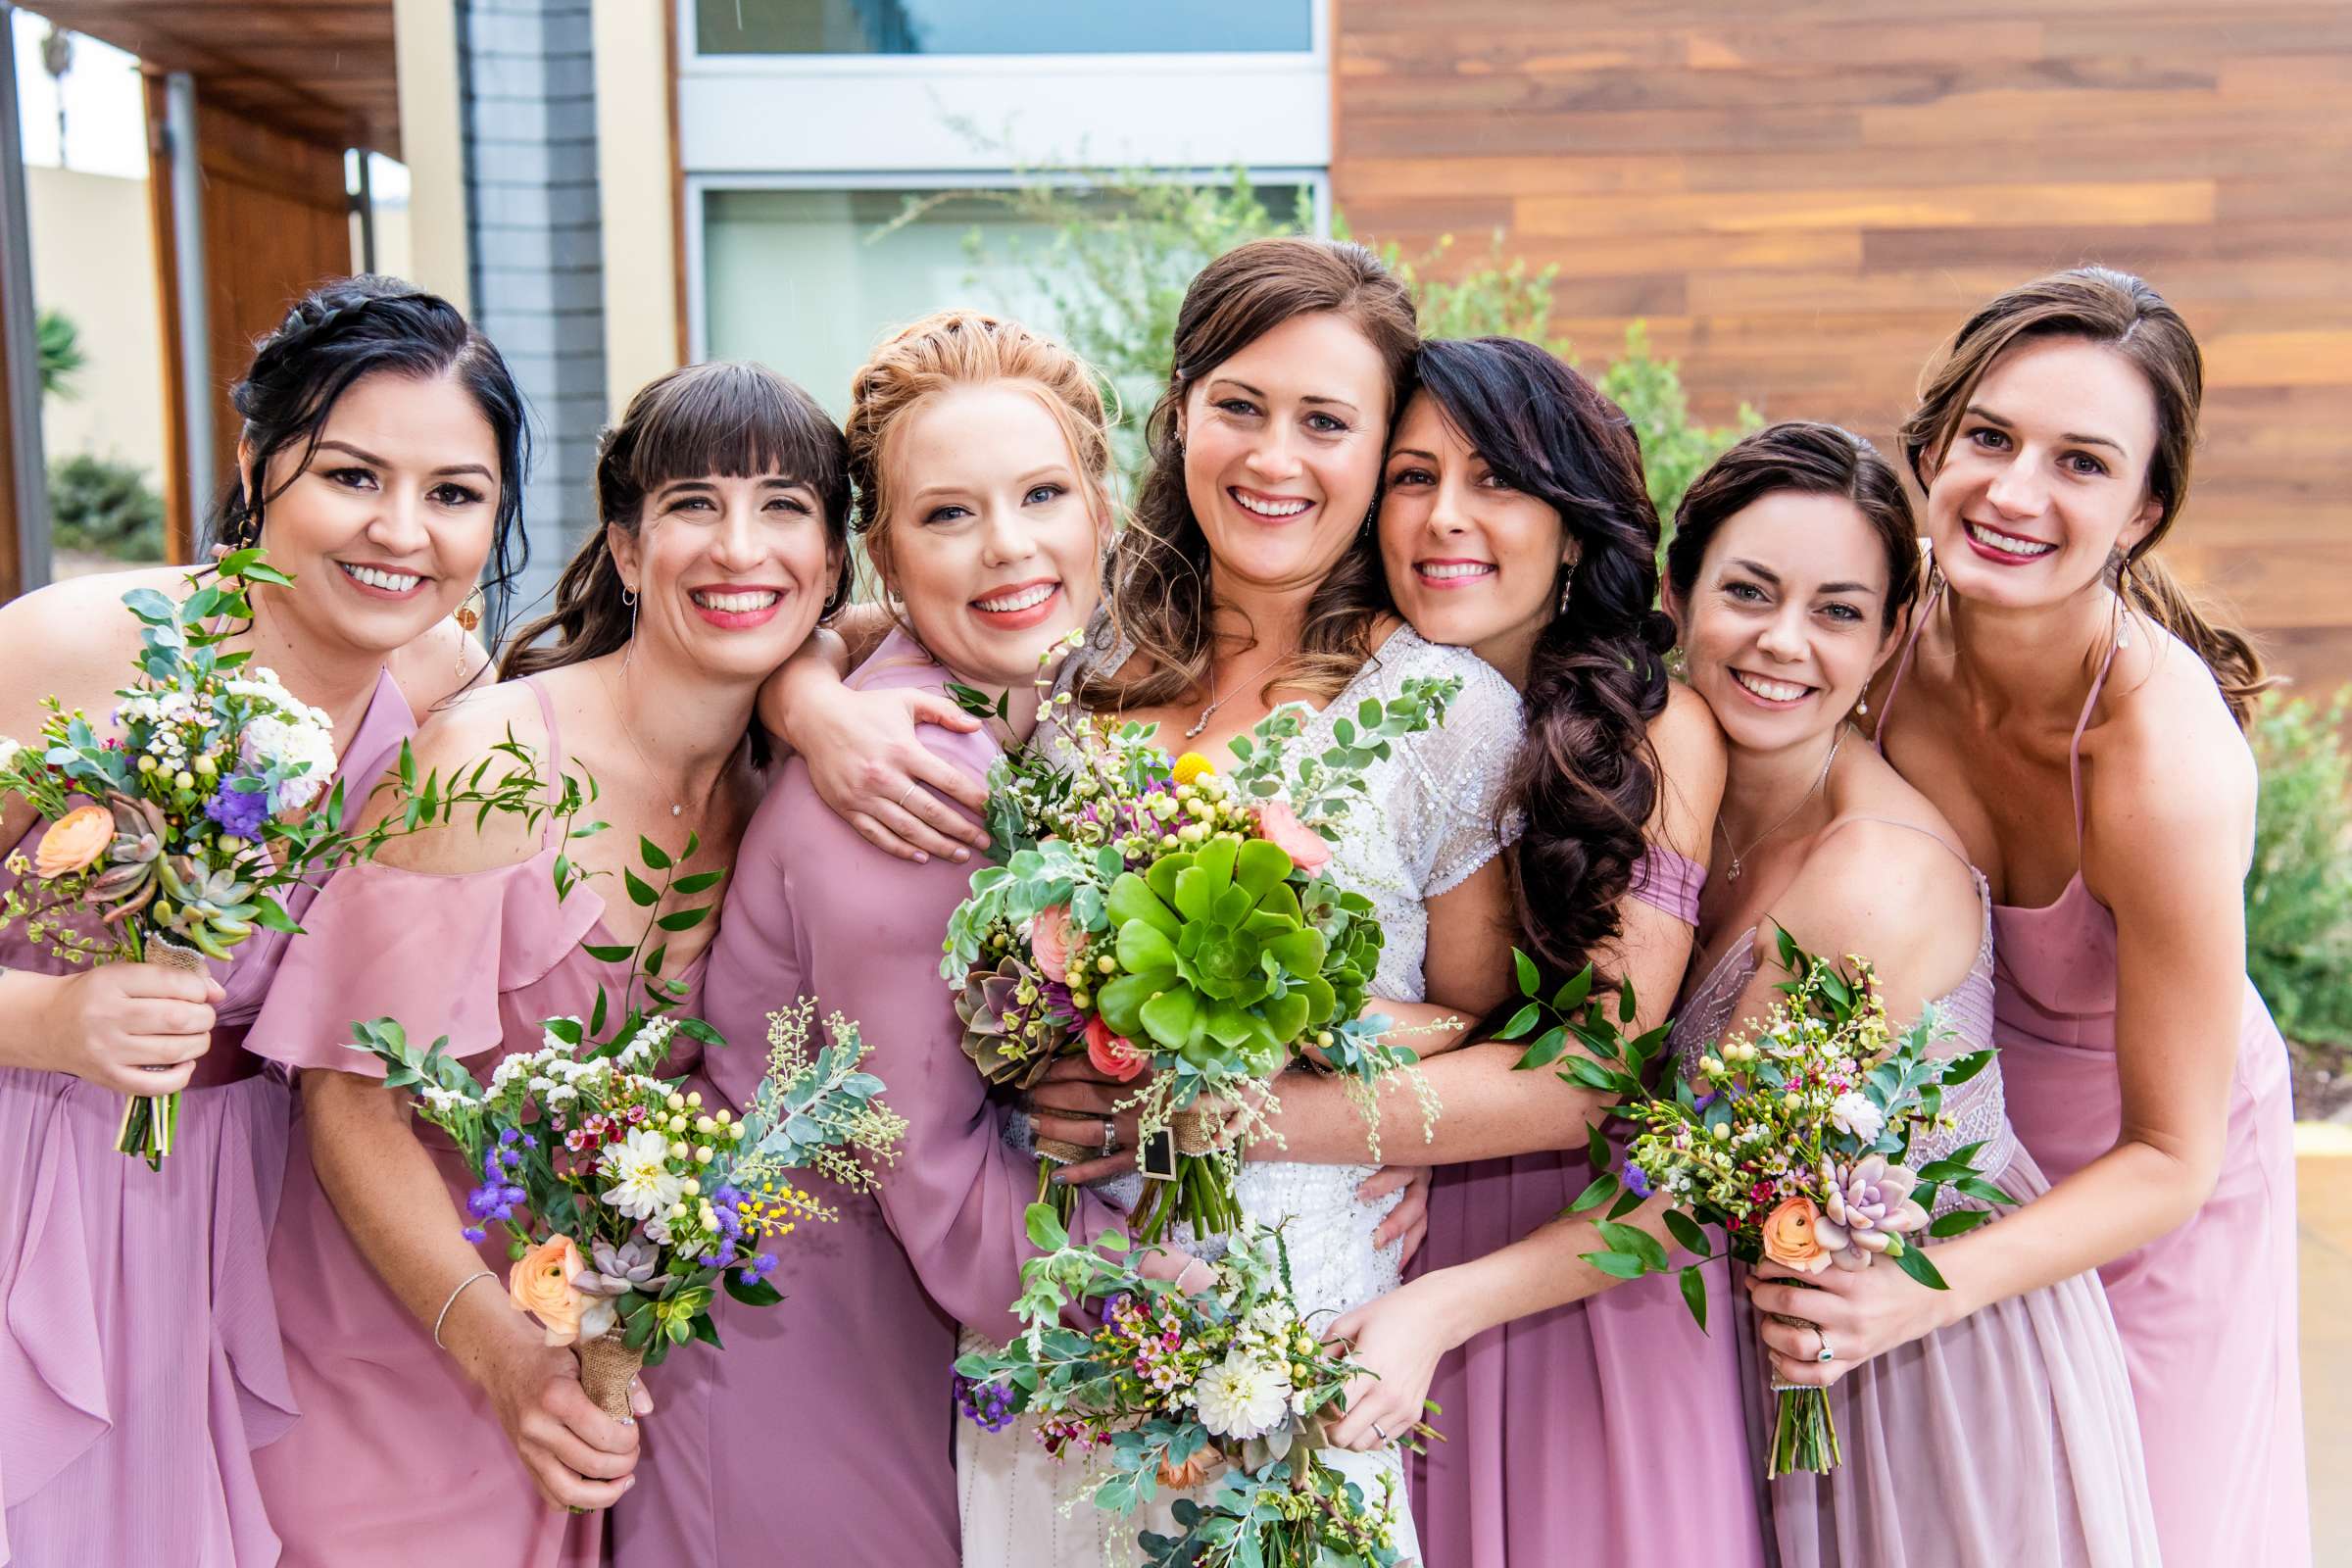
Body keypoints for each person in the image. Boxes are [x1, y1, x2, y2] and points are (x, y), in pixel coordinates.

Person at [241, 361, 851, 1567]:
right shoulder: (492, 764)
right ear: (626, 550)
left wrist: (827, 690)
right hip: (395, 1359)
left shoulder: (780, 794)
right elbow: (348, 1097)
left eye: (785, 506)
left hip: (587, 1387)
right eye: (693, 505)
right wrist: (500, 1353)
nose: (740, 548)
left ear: (831, 562)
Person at [0, 275, 521, 1567]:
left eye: (454, 494)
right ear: (257, 463)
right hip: (39, 1188)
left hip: (255, 1208)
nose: (401, 531)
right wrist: (51, 1018)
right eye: (353, 475)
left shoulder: (447, 678)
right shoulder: (83, 648)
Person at [614, 310, 1144, 1568]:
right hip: (806, 1367)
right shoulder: (912, 778)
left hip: (893, 1357)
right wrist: (1223, 1259)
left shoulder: (1067, 713)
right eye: (949, 515)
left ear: (1104, 513)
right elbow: (955, 1208)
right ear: (887, 562)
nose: (1008, 545)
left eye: (1040, 494)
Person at [1840, 268, 2309, 1565]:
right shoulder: (1865, 630)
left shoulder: (2164, 761)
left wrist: (1906, 1293)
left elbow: (2173, 1156)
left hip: (2151, 1182)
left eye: (2082, 463)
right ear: (1932, 443)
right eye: (1990, 437)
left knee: (2135, 1528)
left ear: (2143, 512)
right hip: (1946, 1160)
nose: (2015, 491)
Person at [1660, 421, 2157, 1563]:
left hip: (1933, 1360)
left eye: (1838, 609)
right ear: (1679, 592)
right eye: (1748, 591)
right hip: (1775, 1344)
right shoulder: (1669, 795)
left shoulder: (1875, 880)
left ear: (1891, 636)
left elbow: (1688, 1186)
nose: (1784, 642)